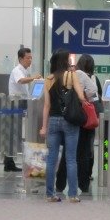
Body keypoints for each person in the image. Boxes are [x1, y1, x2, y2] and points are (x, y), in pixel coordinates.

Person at [39, 48, 85, 203]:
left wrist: (44, 127)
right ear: (67, 61)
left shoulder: (48, 79)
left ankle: (50, 194)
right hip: (69, 120)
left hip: (53, 120)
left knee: (51, 159)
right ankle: (72, 195)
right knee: (71, 158)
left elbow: (46, 105)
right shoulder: (71, 75)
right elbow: (81, 95)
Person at [55, 54, 97, 193]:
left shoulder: (62, 75)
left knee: (67, 152)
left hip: (67, 117)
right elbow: (93, 92)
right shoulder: (82, 75)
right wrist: (84, 97)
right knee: (83, 153)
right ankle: (83, 185)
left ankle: (60, 184)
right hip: (81, 117)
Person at [5, 47, 42, 172]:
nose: (30, 60)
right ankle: (8, 162)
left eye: (31, 58)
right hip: (14, 105)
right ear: (20, 59)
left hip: (22, 103)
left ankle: (10, 161)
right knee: (12, 133)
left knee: (16, 133)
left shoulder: (25, 71)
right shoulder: (17, 70)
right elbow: (20, 81)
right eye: (27, 58)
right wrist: (34, 78)